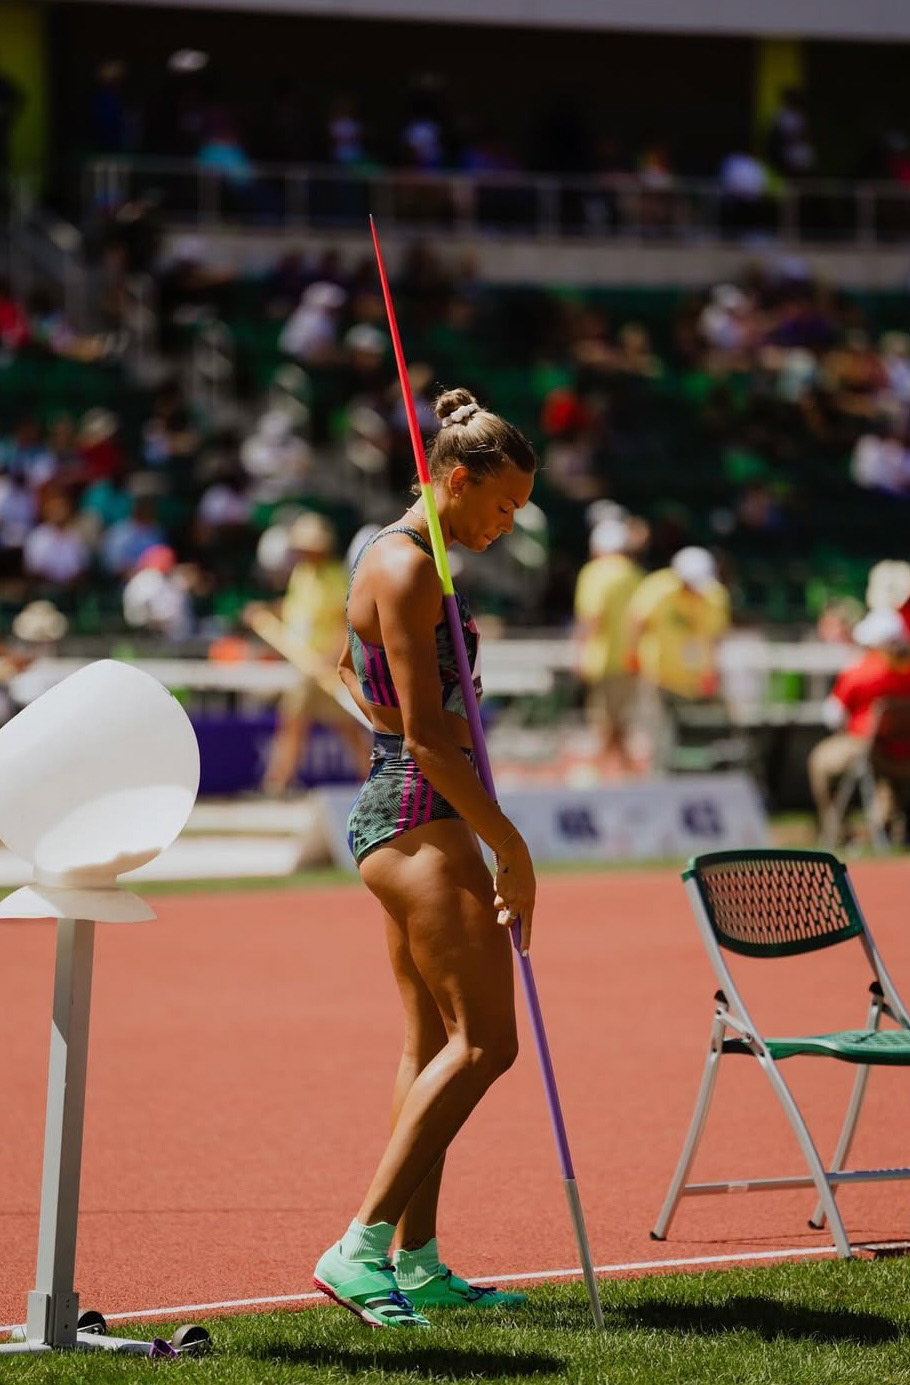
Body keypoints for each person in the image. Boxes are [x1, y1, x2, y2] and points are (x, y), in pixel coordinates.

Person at [312, 387, 537, 1327]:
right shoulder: (406, 566)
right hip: (418, 813)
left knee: (435, 1046)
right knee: (487, 1042)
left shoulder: (397, 555)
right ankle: (358, 1248)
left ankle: (419, 1259)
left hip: (404, 810)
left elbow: (347, 670)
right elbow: (432, 742)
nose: (507, 524)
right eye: (502, 504)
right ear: (456, 479)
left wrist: (399, 730)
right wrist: (511, 847)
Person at [246, 511, 370, 795]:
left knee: (340, 727)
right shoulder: (301, 574)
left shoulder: (336, 577)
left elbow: (346, 623)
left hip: (325, 668)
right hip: (306, 667)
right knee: (299, 724)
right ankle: (277, 784)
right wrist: (266, 612)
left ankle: (278, 784)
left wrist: (331, 660)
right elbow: (298, 611)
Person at [807, 607, 910, 843]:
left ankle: (837, 831)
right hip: (903, 758)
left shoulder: (859, 671)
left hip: (871, 751)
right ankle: (885, 826)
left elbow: (832, 715)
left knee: (820, 761)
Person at [625, 545, 731, 771]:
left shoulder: (714, 596)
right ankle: (657, 776)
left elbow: (714, 639)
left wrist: (711, 672)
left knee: (691, 737)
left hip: (694, 682)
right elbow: (636, 622)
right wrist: (633, 656)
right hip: (658, 676)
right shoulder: (658, 589)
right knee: (657, 734)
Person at [572, 515, 645, 775]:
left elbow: (592, 618)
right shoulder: (634, 574)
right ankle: (625, 772)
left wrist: (579, 653)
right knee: (620, 722)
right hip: (631, 660)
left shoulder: (595, 573)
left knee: (604, 722)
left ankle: (599, 773)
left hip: (602, 660)